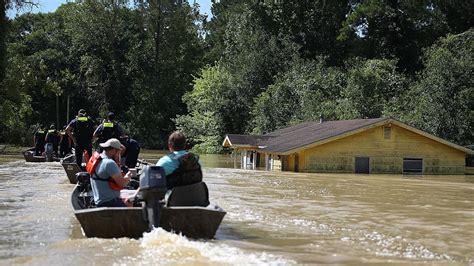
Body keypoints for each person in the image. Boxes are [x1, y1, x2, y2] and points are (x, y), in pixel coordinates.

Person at [90, 138, 132, 207]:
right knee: (131, 204)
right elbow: (123, 184)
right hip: (109, 203)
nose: (119, 154)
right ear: (114, 150)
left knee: (126, 200)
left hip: (98, 200)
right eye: (119, 152)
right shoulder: (109, 163)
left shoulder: (99, 159)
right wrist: (128, 176)